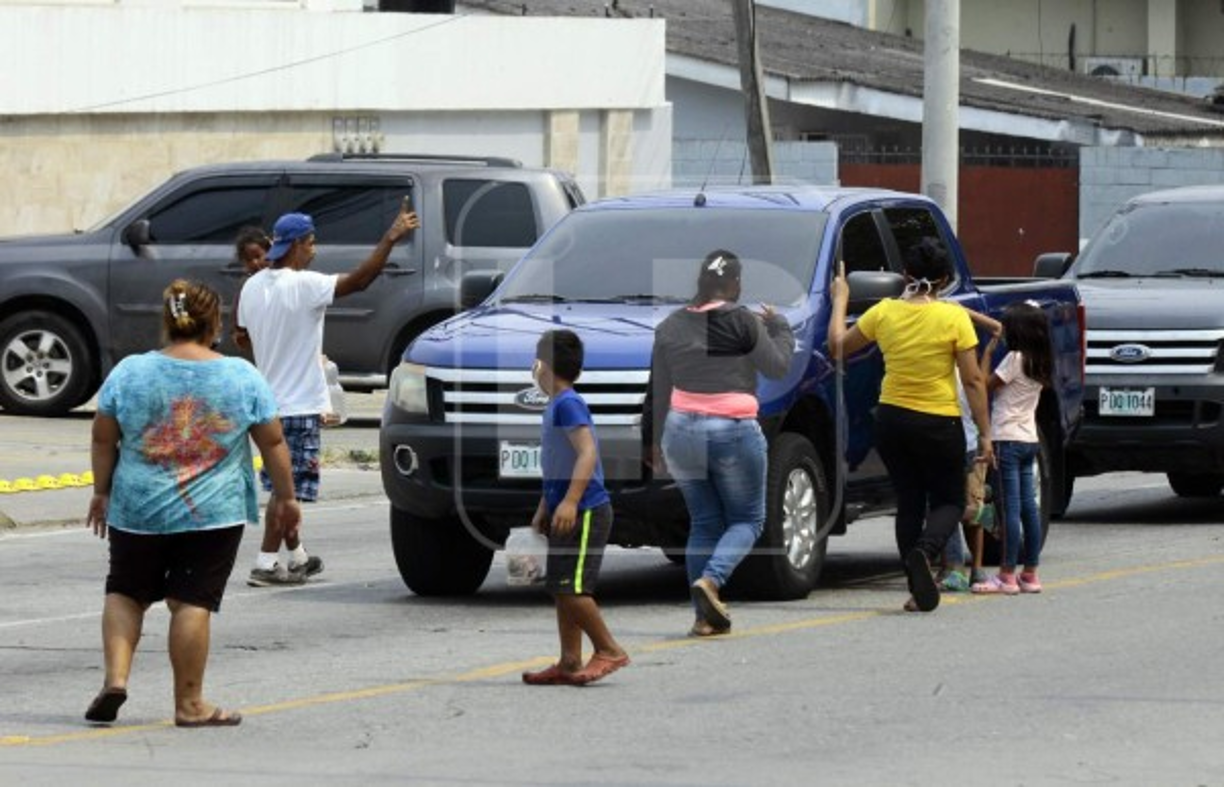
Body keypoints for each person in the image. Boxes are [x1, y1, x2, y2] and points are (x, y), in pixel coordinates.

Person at [85, 279, 300, 727]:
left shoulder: (129, 372)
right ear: (216, 323)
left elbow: (103, 436)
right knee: (190, 602)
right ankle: (189, 704)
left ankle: (117, 679)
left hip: (137, 509)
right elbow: (273, 441)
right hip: (211, 515)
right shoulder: (241, 376)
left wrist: (101, 491)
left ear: (167, 322)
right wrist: (286, 496)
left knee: (125, 592)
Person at [236, 204, 419, 586]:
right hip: (298, 406)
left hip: (267, 405)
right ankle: (267, 562)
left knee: (282, 486)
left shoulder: (251, 287)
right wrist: (390, 238)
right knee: (287, 493)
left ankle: (297, 556)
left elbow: (244, 338)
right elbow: (360, 281)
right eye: (312, 243)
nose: (315, 251)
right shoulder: (306, 285)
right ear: (296, 245)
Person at [828, 239, 993, 613]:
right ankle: (925, 551)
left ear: (906, 275)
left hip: (892, 420)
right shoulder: (953, 318)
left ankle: (916, 588)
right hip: (939, 420)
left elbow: (837, 345)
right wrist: (985, 433)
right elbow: (972, 381)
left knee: (909, 502)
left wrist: (841, 299)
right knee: (950, 499)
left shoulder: (884, 312)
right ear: (946, 279)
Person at [642, 250, 795, 637]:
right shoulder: (742, 320)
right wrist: (780, 327)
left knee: (705, 522)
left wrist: (652, 442)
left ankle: (702, 618)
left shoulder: (671, 325)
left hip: (680, 430)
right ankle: (712, 580)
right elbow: (777, 365)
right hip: (731, 428)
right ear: (736, 284)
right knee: (748, 519)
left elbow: (656, 390)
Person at [521, 330, 630, 686]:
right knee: (560, 586)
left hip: (585, 510)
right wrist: (544, 507)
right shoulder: (555, 404)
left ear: (544, 366)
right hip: (564, 509)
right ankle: (570, 661)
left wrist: (569, 502)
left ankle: (609, 649)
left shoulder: (568, 403)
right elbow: (558, 463)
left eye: (535, 362)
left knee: (572, 587)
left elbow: (587, 453)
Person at [972, 302, 1054, 595]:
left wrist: (988, 353)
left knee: (1009, 508)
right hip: (1029, 438)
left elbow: (983, 385)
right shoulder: (1041, 360)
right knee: (1029, 508)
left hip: (1006, 438)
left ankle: (1006, 575)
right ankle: (1030, 573)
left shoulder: (1014, 359)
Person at [938, 312, 1002, 592]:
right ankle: (966, 569)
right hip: (966, 440)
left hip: (964, 442)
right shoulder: (959, 365)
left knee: (948, 506)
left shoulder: (954, 369)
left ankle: (964, 570)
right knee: (966, 504)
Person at [230, 226, 270, 354]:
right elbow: (237, 323)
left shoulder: (282, 278)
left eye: (258, 256)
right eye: (248, 260)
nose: (255, 263)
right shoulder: (246, 287)